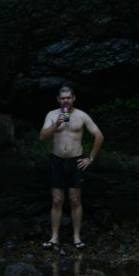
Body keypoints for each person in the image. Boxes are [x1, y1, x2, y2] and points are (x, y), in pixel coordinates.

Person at [39, 85, 104, 250]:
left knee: (75, 200)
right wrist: (57, 123)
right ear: (58, 99)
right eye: (63, 98)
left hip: (76, 161)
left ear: (74, 98)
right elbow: (42, 136)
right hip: (57, 161)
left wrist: (90, 158)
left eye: (68, 97)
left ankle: (76, 237)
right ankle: (54, 237)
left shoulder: (82, 115)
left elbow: (99, 136)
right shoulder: (52, 115)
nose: (66, 101)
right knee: (57, 200)